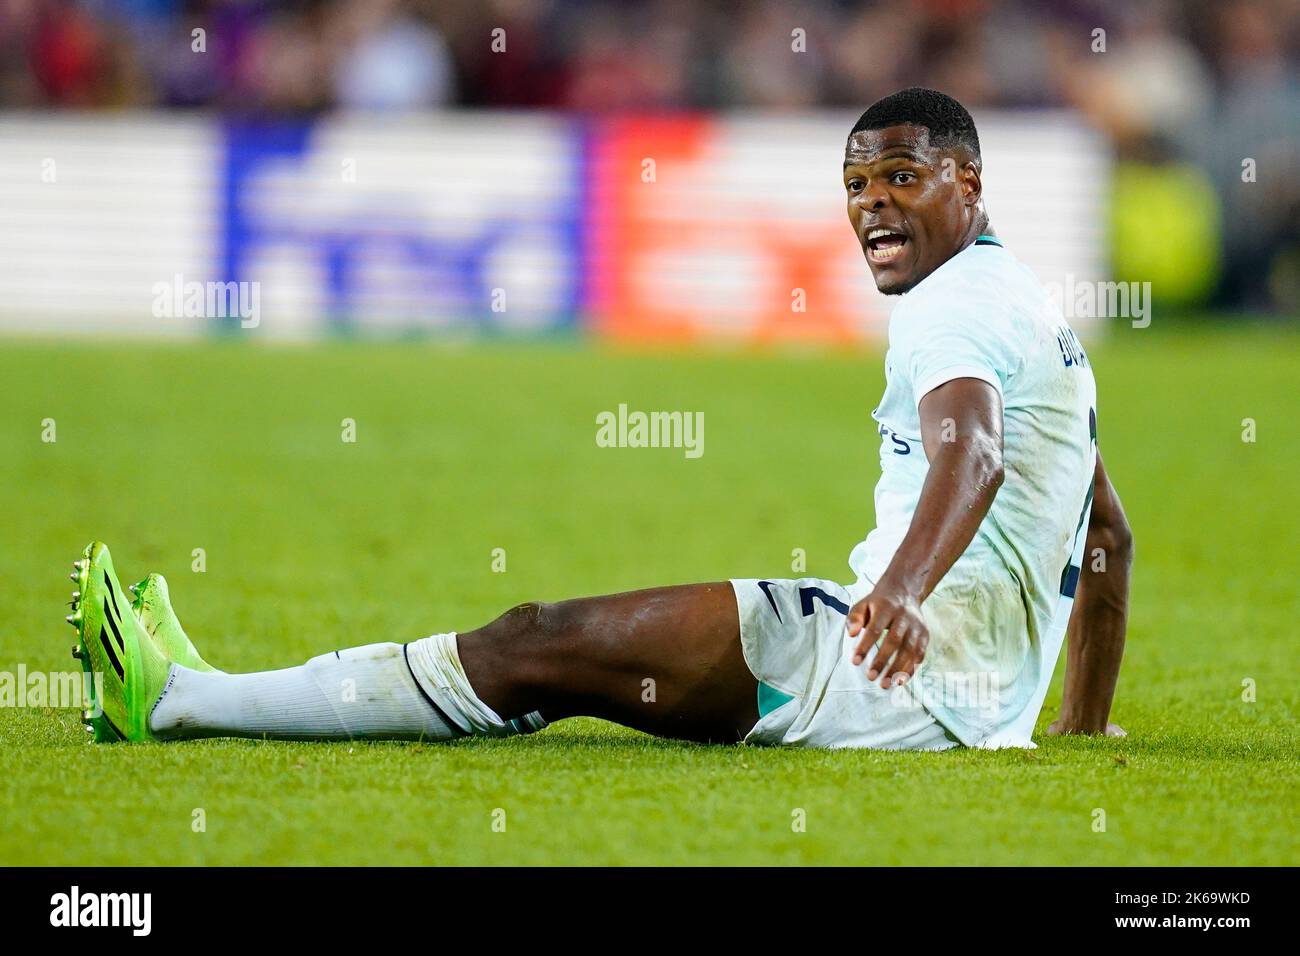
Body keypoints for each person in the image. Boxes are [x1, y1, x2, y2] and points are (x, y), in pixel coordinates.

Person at [67, 88, 1131, 750]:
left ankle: (176, 699)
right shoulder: (1031, 308)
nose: (871, 206)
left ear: (969, 181)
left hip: (880, 679)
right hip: (949, 690)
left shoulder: (955, 305)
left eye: (902, 177)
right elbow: (1106, 532)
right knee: (542, 647)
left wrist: (898, 594)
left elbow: (973, 449)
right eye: (856, 183)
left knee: (532, 642)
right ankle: (197, 689)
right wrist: (1073, 715)